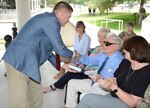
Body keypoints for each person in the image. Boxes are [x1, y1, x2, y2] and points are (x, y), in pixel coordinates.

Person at [2, 1, 74, 108]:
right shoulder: (52, 21)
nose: (68, 20)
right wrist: (77, 57)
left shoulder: (49, 21)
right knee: (18, 103)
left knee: (37, 98)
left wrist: (63, 65)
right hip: (18, 62)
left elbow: (48, 53)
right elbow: (61, 49)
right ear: (62, 13)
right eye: (68, 17)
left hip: (30, 66)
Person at [77, 36, 150, 108]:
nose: (123, 51)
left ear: (134, 51)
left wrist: (113, 87)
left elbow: (133, 102)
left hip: (126, 104)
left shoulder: (146, 72)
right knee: (87, 97)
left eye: (126, 49)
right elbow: (114, 81)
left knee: (88, 98)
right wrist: (106, 82)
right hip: (113, 96)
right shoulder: (126, 62)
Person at [65, 32, 124, 108]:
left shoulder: (120, 61)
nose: (103, 45)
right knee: (72, 83)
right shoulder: (103, 54)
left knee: (84, 96)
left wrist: (101, 78)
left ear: (116, 47)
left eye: (107, 43)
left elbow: (115, 82)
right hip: (95, 82)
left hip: (105, 89)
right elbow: (90, 60)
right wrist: (80, 56)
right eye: (104, 42)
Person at [43, 28, 111, 92]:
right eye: (99, 36)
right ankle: (59, 87)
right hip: (85, 69)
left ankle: (53, 87)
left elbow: (103, 67)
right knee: (71, 68)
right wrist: (81, 63)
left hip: (92, 73)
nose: (101, 39)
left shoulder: (108, 51)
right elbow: (88, 59)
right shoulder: (96, 48)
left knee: (70, 74)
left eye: (104, 37)